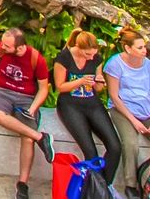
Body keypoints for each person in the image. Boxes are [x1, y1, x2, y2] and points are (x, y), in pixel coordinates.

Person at [0, 27, 55, 199]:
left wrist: (32, 108)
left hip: (26, 98)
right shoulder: (0, 48)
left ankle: (22, 184)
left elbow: (43, 89)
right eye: (2, 44)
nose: (2, 47)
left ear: (20, 48)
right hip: (1, 92)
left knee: (27, 139)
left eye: (7, 46)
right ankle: (41, 138)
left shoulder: (36, 59)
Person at [104, 26, 150, 195]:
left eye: (144, 47)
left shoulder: (149, 66)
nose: (145, 51)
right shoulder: (115, 64)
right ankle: (130, 186)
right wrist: (134, 122)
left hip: (147, 112)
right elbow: (114, 96)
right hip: (123, 111)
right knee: (130, 144)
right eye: (140, 47)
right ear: (128, 48)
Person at [52, 27, 121, 175]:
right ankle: (93, 185)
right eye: (87, 54)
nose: (90, 58)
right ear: (78, 47)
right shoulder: (64, 58)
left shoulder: (96, 59)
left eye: (93, 54)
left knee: (115, 147)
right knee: (90, 151)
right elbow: (60, 87)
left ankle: (104, 184)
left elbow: (98, 88)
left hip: (92, 103)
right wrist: (80, 81)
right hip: (70, 105)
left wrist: (99, 82)